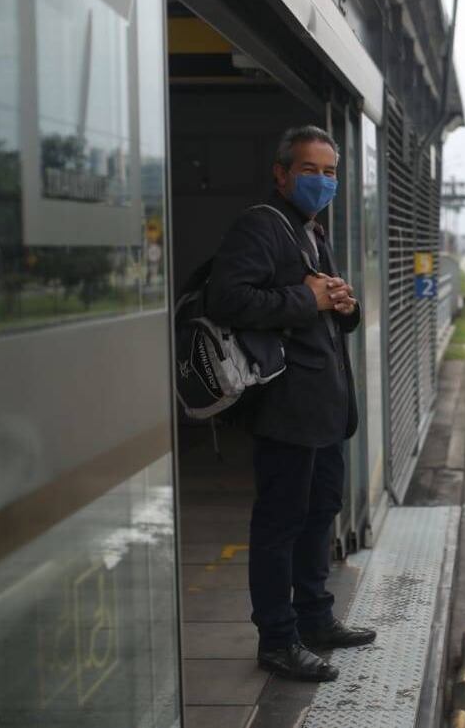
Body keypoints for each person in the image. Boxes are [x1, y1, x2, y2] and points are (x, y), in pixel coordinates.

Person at [206, 125, 375, 682]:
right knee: (280, 524)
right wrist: (308, 297)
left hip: (322, 410)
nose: (323, 181)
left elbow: (320, 309)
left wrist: (341, 303)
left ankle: (315, 618)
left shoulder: (310, 230)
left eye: (330, 173)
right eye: (310, 171)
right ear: (281, 174)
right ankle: (278, 640)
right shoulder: (262, 226)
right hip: (286, 410)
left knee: (317, 516)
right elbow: (228, 298)